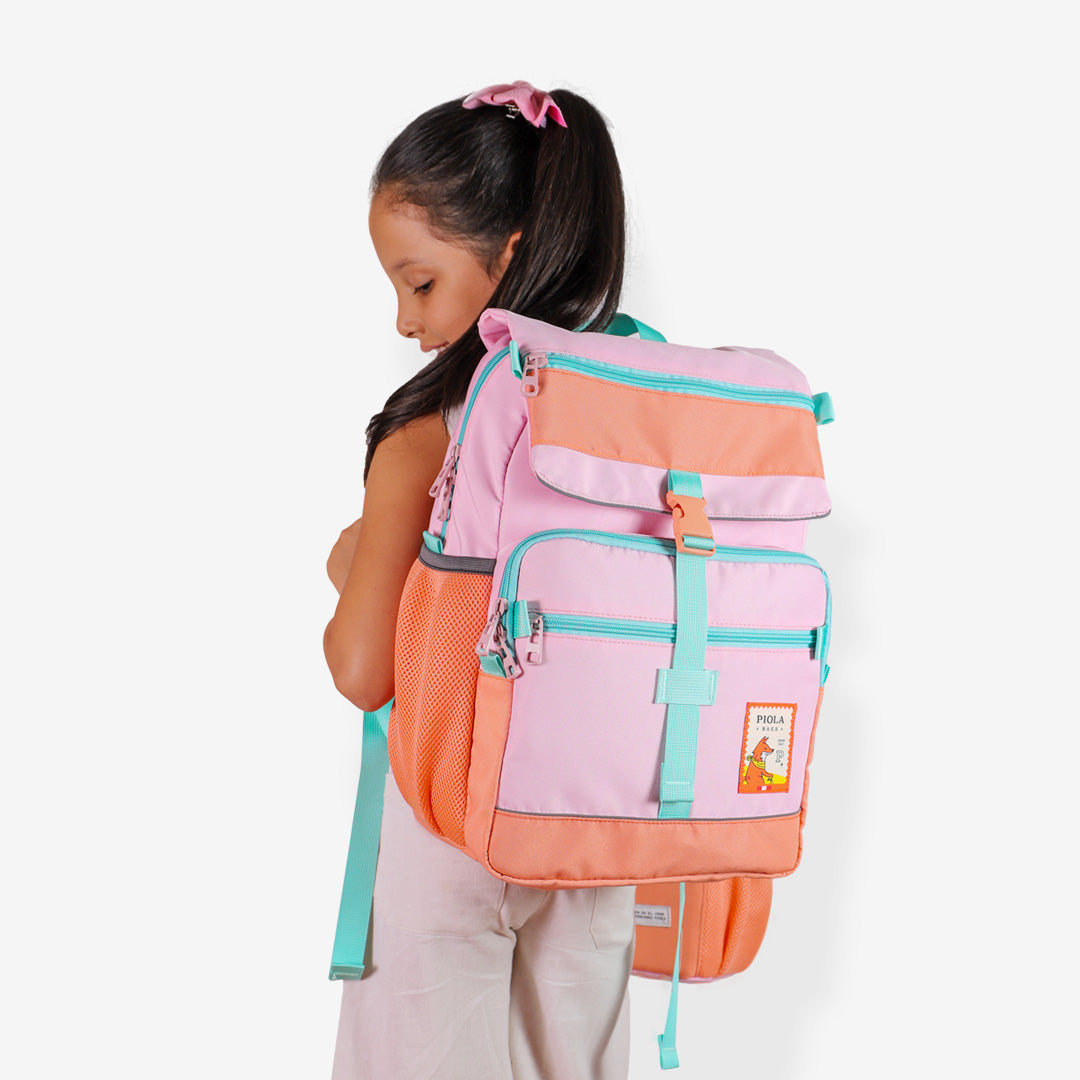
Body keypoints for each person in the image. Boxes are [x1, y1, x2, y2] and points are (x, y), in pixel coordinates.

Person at [324, 81, 637, 1080]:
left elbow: (364, 670)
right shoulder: (630, 405)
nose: (405, 319)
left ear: (509, 253)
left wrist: (346, 560)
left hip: (451, 819)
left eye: (420, 283)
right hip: (598, 821)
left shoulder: (427, 427)